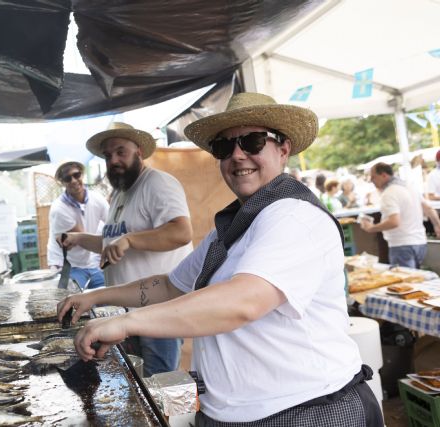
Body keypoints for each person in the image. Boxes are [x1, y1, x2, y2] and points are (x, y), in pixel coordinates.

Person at [58, 93, 382, 426]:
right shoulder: (234, 225)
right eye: (224, 147)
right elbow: (171, 285)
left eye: (253, 141)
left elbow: (244, 300)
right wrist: (95, 297)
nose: (238, 155)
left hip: (305, 410)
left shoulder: (293, 216)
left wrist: (126, 322)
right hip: (231, 412)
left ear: (283, 149)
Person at [60, 122, 193, 376]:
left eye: (121, 152)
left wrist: (131, 240)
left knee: (157, 387)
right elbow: (110, 243)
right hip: (127, 313)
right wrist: (77, 238)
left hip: (158, 311)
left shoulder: (157, 184)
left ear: (139, 152)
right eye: (108, 155)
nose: (114, 160)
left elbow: (181, 232)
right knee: (138, 383)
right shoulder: (120, 194)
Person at [361, 162, 440, 268]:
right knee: (415, 279)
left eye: (373, 177)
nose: (371, 180)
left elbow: (394, 222)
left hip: (401, 244)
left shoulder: (389, 193)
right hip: (420, 242)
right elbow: (429, 209)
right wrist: (437, 225)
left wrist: (372, 228)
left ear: (384, 175)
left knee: (405, 281)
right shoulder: (409, 187)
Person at [47, 161, 109, 289]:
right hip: (67, 265)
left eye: (76, 175)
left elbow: (112, 223)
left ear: (82, 175)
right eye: (67, 178)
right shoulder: (59, 209)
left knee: (107, 300)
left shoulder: (97, 199)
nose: (74, 180)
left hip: (89, 261)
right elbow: (83, 239)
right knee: (73, 302)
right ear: (62, 182)